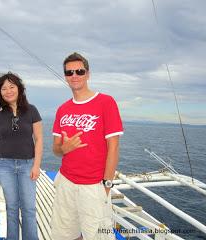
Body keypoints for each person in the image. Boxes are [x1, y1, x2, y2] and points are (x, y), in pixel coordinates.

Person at [51, 52, 123, 240]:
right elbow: (56, 149)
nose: (74, 76)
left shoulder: (106, 102)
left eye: (79, 71)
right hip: (66, 182)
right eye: (69, 72)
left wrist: (106, 185)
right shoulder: (62, 109)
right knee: (65, 235)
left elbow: (113, 148)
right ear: (65, 76)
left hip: (93, 186)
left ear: (88, 74)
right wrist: (64, 149)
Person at [0, 72, 43, 240]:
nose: (8, 91)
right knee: (11, 207)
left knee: (28, 208)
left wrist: (36, 165)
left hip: (28, 164)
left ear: (19, 89)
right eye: (4, 88)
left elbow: (39, 139)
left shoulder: (31, 110)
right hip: (4, 165)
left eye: (12, 86)